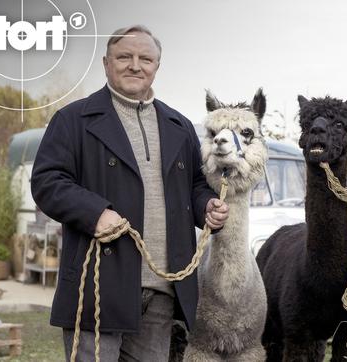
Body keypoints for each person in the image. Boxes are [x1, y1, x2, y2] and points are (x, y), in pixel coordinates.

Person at [31, 24, 229, 361]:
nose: (135, 65)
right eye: (124, 56)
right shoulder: (73, 120)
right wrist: (94, 212)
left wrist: (205, 206)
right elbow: (47, 181)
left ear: (156, 67)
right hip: (99, 285)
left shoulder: (179, 127)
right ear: (107, 63)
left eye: (145, 59)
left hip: (163, 287)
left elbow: (195, 185)